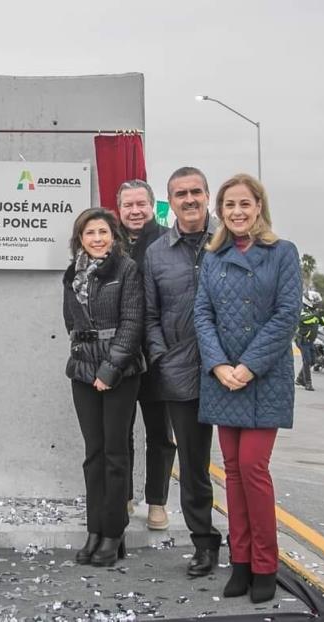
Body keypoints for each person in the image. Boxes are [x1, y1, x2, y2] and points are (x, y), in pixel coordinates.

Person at [194, 173, 301, 602]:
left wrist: (248, 367)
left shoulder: (283, 253)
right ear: (220, 211)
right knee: (233, 472)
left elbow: (286, 315)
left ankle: (264, 565)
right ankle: (239, 562)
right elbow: (202, 314)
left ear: (259, 206)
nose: (237, 212)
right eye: (229, 205)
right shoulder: (213, 256)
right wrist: (219, 364)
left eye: (245, 203)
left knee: (254, 469)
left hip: (264, 378)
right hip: (223, 379)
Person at [144, 166, 222, 576]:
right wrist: (162, 356)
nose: (189, 199)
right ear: (170, 200)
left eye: (196, 192)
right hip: (179, 372)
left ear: (207, 195)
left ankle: (247, 544)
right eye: (180, 194)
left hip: (228, 372)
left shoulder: (229, 241)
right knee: (193, 466)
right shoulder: (157, 252)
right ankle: (204, 543)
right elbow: (150, 314)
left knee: (244, 467)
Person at [63, 207, 145, 568]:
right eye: (89, 233)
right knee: (93, 453)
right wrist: (87, 363)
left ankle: (114, 532)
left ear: (114, 236)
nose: (97, 239)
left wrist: (110, 369)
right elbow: (71, 321)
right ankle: (95, 529)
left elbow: (131, 323)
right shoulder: (73, 274)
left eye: (103, 232)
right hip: (82, 369)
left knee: (115, 454)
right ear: (80, 239)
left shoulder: (127, 270)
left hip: (121, 373)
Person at [116, 180, 176, 530]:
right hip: (120, 355)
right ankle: (123, 498)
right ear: (119, 208)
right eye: (128, 205)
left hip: (157, 354)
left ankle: (157, 502)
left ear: (153, 205)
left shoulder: (169, 241)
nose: (135, 211)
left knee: (159, 434)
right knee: (120, 434)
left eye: (141, 203)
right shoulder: (108, 240)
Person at [295, 290, 324, 391]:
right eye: (315, 302)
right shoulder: (303, 310)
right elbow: (303, 320)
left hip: (310, 342)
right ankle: (308, 383)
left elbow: (322, 321)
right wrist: (317, 315)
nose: (317, 304)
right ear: (308, 301)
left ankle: (300, 379)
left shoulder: (314, 311)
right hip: (302, 340)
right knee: (307, 361)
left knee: (313, 361)